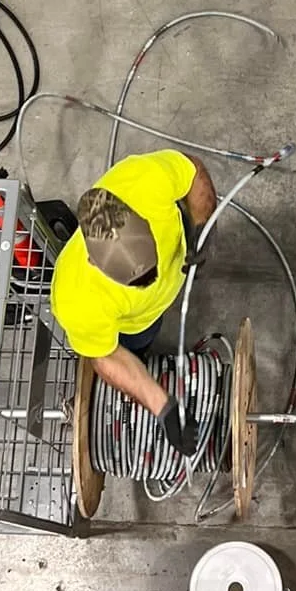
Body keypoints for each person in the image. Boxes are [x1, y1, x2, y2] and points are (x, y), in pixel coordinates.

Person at [50, 149, 217, 456]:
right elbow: (105, 356)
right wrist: (162, 407)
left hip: (159, 297)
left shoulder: (143, 181)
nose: (151, 282)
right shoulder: (77, 300)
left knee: (150, 325)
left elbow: (192, 173)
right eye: (135, 281)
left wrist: (202, 227)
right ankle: (141, 351)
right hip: (136, 322)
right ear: (93, 260)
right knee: (138, 342)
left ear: (139, 217)